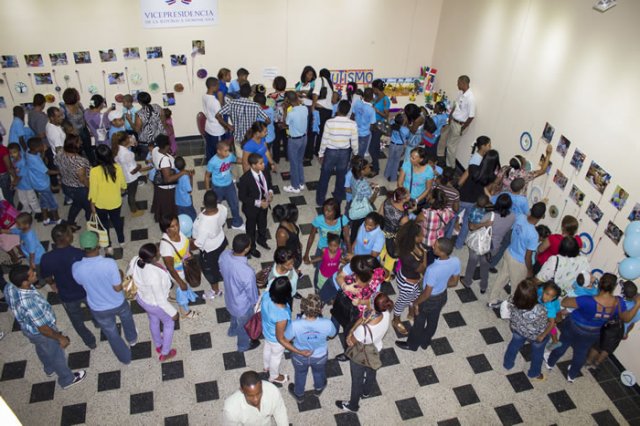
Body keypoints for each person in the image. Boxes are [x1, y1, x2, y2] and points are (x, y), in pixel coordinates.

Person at [545, 273, 640, 382]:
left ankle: (550, 363)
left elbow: (565, 302)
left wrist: (572, 293)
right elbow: (627, 318)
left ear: (599, 284)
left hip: (573, 326)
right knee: (581, 352)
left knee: (563, 344)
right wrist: (637, 304)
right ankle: (572, 375)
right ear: (613, 287)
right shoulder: (618, 302)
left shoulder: (587, 299)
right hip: (593, 332)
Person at [4, 265, 87, 389]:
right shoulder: (29, 303)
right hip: (43, 332)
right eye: (32, 274)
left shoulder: (9, 287)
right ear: (24, 282)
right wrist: (60, 337)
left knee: (42, 348)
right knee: (57, 354)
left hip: (28, 329)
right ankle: (67, 379)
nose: (35, 274)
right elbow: (43, 328)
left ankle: (49, 368)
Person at [72, 231, 137, 364]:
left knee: (112, 334)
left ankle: (125, 358)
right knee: (127, 318)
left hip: (98, 307)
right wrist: (120, 273)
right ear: (98, 245)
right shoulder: (109, 263)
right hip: (118, 302)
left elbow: (80, 282)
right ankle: (132, 339)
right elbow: (118, 288)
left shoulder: (76, 267)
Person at [396, 238, 460, 351]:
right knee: (433, 320)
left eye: (435, 246)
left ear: (442, 252)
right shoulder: (456, 261)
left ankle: (412, 345)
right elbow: (454, 282)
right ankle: (425, 342)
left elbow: (426, 293)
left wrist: (415, 303)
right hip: (442, 296)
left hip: (428, 300)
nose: (432, 246)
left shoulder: (432, 270)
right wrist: (442, 284)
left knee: (419, 323)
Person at [40, 224, 97, 349]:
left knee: (77, 321)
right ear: (67, 238)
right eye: (70, 233)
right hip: (86, 291)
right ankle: (98, 323)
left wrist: (52, 284)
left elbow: (47, 276)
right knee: (95, 309)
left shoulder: (46, 258)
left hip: (66, 295)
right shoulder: (80, 254)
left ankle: (90, 342)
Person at [335, 293, 394, 413]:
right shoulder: (386, 313)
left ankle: (353, 405)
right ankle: (366, 392)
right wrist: (354, 328)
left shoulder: (364, 330)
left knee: (357, 380)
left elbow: (351, 342)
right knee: (371, 371)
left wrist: (350, 334)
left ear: (373, 305)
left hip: (360, 355)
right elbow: (363, 318)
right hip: (376, 349)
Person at [488, 202, 546, 307]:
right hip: (518, 262)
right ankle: (511, 309)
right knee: (516, 288)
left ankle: (492, 300)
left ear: (531, 210)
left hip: (509, 252)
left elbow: (512, 231)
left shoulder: (520, 217)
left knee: (502, 277)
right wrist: (529, 270)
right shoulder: (534, 235)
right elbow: (528, 256)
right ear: (542, 216)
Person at [129, 243, 178, 361]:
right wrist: (173, 313)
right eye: (158, 252)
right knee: (169, 323)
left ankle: (158, 345)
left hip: (143, 300)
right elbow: (160, 300)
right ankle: (165, 353)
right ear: (153, 258)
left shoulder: (136, 259)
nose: (160, 252)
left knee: (154, 320)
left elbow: (129, 275)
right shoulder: (154, 276)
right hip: (155, 304)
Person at [285, 294, 337, 402]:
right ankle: (319, 389)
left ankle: (299, 394)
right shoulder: (327, 323)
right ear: (320, 309)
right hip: (320, 355)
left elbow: (286, 339)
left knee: (300, 374)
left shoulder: (295, 325)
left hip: (299, 355)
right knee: (318, 373)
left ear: (302, 308)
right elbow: (332, 335)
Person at [461, 194, 515, 293]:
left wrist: (483, 224)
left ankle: (467, 281)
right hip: (495, 245)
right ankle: (483, 286)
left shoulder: (490, 215)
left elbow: (473, 227)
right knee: (485, 264)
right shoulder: (512, 216)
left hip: (481, 243)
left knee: (472, 261)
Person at [503, 279, 551, 381]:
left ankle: (507, 364)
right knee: (537, 354)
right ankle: (534, 373)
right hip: (535, 336)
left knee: (513, 346)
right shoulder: (540, 310)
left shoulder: (511, 299)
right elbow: (542, 326)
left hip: (517, 329)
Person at [219, 234, 261, 352]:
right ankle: (243, 346)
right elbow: (252, 296)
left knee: (234, 316)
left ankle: (232, 331)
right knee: (244, 327)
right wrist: (256, 304)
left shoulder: (224, 255)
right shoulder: (247, 272)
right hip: (242, 306)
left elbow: (221, 270)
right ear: (247, 249)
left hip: (229, 298)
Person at [587, 281, 640, 370]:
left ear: (623, 292)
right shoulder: (637, 309)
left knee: (597, 345)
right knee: (608, 349)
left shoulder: (618, 301)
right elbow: (632, 323)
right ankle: (596, 364)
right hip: (621, 331)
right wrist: (626, 333)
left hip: (609, 327)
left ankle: (588, 361)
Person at [455, 149, 501, 249]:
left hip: (462, 197)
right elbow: (488, 188)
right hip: (474, 202)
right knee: (466, 224)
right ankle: (458, 245)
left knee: (452, 217)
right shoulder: (492, 177)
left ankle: (446, 238)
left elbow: (460, 182)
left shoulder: (472, 167)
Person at [261, 277, 303, 385]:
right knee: (276, 356)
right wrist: (297, 350)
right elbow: (280, 338)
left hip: (266, 331)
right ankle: (274, 376)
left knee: (267, 347)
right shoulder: (281, 315)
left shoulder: (266, 296)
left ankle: (266, 366)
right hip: (275, 340)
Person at [316, 100, 358, 206]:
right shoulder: (352, 124)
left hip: (330, 152)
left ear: (338, 109)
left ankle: (320, 200)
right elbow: (354, 141)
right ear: (349, 111)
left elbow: (324, 139)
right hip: (344, 153)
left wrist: (321, 154)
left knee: (324, 176)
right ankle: (338, 200)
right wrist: (355, 154)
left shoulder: (329, 122)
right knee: (341, 177)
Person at [159, 214, 199, 319]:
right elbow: (170, 268)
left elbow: (186, 244)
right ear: (166, 229)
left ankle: (172, 296)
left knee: (179, 289)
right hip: (179, 274)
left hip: (185, 267)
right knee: (182, 292)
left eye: (177, 224)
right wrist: (181, 283)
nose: (177, 227)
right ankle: (185, 311)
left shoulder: (178, 232)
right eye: (173, 226)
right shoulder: (166, 247)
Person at [304, 198, 351, 286]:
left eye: (329, 211)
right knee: (319, 268)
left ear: (336, 211)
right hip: (321, 248)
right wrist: (306, 254)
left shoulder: (343, 219)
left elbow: (347, 237)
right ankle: (317, 286)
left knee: (333, 267)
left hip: (337, 249)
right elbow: (311, 236)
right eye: (324, 210)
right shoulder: (319, 220)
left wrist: (350, 253)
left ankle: (329, 284)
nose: (326, 213)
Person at [89, 144, 126, 250]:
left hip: (100, 204)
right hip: (115, 202)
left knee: (104, 223)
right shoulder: (117, 168)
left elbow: (93, 190)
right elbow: (123, 185)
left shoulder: (94, 171)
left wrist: (92, 205)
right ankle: (121, 239)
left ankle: (108, 244)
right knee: (117, 220)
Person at [392, 220, 427, 335]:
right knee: (402, 302)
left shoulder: (412, 244)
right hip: (408, 284)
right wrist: (425, 253)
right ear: (414, 237)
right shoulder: (408, 256)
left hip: (412, 279)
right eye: (421, 235)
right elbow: (423, 268)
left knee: (415, 296)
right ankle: (396, 320)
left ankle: (411, 312)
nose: (423, 236)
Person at [192, 190, 227, 300]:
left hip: (209, 250)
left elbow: (198, 243)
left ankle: (215, 291)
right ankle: (220, 268)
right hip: (221, 240)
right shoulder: (223, 208)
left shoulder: (204, 224)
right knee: (219, 259)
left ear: (203, 202)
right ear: (217, 201)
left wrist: (187, 246)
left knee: (210, 271)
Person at [222, 370, 288, 426]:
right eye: (250, 396)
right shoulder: (231, 409)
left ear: (261, 385)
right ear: (241, 390)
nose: (256, 400)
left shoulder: (272, 391)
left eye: (259, 393)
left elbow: (280, 413)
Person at [238, 154, 273, 258]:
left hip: (264, 205)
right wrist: (258, 203)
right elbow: (242, 197)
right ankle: (252, 247)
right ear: (253, 165)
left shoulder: (265, 171)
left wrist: (270, 192)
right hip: (251, 209)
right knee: (251, 229)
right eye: (261, 163)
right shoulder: (245, 178)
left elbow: (269, 183)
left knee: (263, 224)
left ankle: (262, 240)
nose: (263, 165)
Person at [204, 139, 244, 230]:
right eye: (225, 151)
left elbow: (236, 160)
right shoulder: (212, 161)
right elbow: (207, 176)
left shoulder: (229, 156)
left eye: (228, 150)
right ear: (219, 151)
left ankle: (237, 223)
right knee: (216, 206)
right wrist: (208, 191)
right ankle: (216, 224)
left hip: (229, 184)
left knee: (234, 204)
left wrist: (246, 160)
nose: (228, 152)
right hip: (217, 187)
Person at [151, 134, 191, 223]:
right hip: (167, 189)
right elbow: (167, 179)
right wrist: (182, 173)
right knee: (167, 208)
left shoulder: (155, 150)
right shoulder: (164, 160)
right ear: (166, 146)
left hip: (158, 185)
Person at [438, 75, 476, 167]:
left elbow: (471, 116)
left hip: (459, 125)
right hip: (452, 121)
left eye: (458, 82)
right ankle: (440, 157)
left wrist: (462, 128)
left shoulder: (470, 98)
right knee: (443, 137)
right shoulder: (460, 93)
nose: (457, 84)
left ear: (464, 83)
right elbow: (455, 105)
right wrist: (450, 117)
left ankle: (450, 167)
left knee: (451, 146)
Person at [26, 138, 62, 225]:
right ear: (37, 148)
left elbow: (41, 158)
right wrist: (60, 171)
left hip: (36, 183)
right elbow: (48, 171)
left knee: (43, 201)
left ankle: (45, 219)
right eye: (41, 145)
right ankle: (58, 220)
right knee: (52, 202)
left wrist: (43, 151)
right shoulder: (35, 160)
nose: (43, 145)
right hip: (42, 184)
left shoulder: (28, 152)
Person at [416, 189, 456, 264]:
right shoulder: (448, 212)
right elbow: (452, 215)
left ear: (433, 200)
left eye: (429, 195)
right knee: (431, 260)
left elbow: (416, 221)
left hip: (425, 240)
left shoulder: (426, 213)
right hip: (438, 241)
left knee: (422, 259)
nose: (428, 196)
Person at [112, 131, 145, 218]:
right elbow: (133, 171)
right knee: (132, 194)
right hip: (131, 178)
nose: (130, 138)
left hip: (123, 176)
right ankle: (134, 210)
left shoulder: (116, 149)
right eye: (128, 137)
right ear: (124, 141)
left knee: (129, 192)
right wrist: (139, 166)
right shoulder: (127, 154)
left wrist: (129, 145)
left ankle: (132, 206)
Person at [282, 91, 308, 193]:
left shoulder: (291, 113)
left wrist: (285, 109)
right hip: (304, 138)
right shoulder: (305, 108)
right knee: (299, 161)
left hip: (294, 141)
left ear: (287, 100)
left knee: (293, 164)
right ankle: (301, 183)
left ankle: (295, 186)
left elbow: (286, 123)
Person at [59, 89, 94, 164]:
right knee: (77, 152)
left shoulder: (79, 104)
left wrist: (90, 128)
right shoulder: (63, 109)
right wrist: (70, 130)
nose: (78, 96)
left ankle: (92, 165)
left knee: (89, 150)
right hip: (72, 134)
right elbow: (62, 122)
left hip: (83, 130)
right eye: (77, 94)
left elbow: (84, 117)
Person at [348, 157, 379, 241]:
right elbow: (370, 201)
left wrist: (368, 184)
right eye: (368, 167)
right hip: (362, 209)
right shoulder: (364, 185)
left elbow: (357, 186)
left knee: (354, 226)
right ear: (362, 171)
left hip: (355, 202)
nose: (370, 168)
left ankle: (351, 240)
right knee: (362, 226)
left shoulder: (353, 176)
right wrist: (375, 192)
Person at [8, 142, 41, 215]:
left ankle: (38, 210)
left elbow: (20, 176)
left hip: (27, 184)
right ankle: (27, 210)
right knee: (22, 199)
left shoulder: (23, 162)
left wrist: (13, 183)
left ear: (19, 151)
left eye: (14, 152)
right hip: (20, 186)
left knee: (32, 199)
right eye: (10, 153)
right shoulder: (14, 160)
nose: (12, 154)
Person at [241, 121, 276, 188]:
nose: (266, 133)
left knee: (267, 184)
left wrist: (272, 163)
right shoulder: (249, 145)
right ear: (257, 133)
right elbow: (245, 163)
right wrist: (249, 178)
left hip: (264, 167)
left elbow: (266, 151)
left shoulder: (262, 138)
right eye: (265, 132)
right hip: (256, 171)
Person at [134, 91, 165, 161]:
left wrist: (129, 120)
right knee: (161, 159)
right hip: (160, 139)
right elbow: (163, 121)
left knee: (150, 161)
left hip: (147, 143)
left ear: (139, 102)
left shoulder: (139, 113)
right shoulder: (157, 107)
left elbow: (137, 129)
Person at [202, 77, 227, 162]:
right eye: (217, 85)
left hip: (208, 127)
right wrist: (228, 126)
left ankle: (211, 169)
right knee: (219, 152)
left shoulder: (205, 96)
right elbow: (218, 117)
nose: (219, 87)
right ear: (213, 87)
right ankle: (218, 170)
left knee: (210, 151)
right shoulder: (215, 102)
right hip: (217, 131)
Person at [369, 79, 390, 176]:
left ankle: (376, 169)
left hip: (379, 125)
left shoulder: (385, 100)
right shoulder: (376, 97)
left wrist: (376, 110)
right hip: (373, 124)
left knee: (371, 149)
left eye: (373, 88)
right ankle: (374, 163)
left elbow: (386, 115)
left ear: (376, 88)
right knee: (376, 146)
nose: (372, 90)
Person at [311, 68, 335, 155]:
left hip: (320, 110)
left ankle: (314, 151)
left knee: (314, 131)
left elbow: (316, 93)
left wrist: (313, 106)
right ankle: (319, 150)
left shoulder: (319, 79)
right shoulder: (330, 84)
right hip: (328, 111)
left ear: (320, 74)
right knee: (322, 132)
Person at [273, 203, 302, 269]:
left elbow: (295, 235)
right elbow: (281, 252)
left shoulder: (290, 222)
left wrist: (299, 244)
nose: (297, 216)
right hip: (290, 257)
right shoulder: (282, 233)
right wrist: (289, 263)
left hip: (296, 251)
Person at [268, 76, 288, 163]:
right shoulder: (289, 95)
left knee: (276, 140)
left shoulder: (270, 96)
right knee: (287, 139)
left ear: (274, 85)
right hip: (287, 120)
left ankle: (276, 158)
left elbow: (268, 109)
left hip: (275, 121)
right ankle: (288, 156)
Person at [384, 113, 410, 182]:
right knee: (396, 162)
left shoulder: (392, 123)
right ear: (404, 121)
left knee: (390, 160)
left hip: (392, 144)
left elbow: (389, 116)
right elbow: (407, 138)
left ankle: (386, 174)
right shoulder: (406, 130)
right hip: (400, 146)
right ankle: (393, 178)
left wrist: (398, 112)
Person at [353, 88, 377, 160]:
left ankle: (351, 167)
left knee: (353, 151)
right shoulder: (371, 110)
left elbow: (352, 115)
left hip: (354, 131)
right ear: (372, 97)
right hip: (364, 135)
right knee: (360, 154)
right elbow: (372, 126)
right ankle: (358, 169)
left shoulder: (357, 102)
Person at [174, 156, 196, 221]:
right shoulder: (185, 177)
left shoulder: (175, 171)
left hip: (178, 200)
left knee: (180, 216)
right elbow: (189, 191)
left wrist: (188, 172)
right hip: (186, 202)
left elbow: (182, 171)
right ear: (185, 164)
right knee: (192, 215)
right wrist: (191, 177)